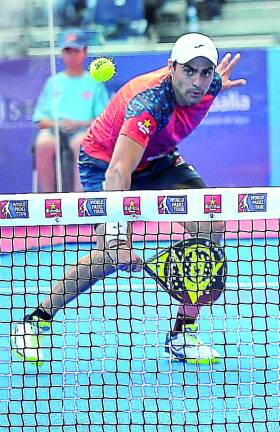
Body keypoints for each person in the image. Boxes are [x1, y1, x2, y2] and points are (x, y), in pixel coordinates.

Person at [12, 32, 246, 366]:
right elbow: (118, 172)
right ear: (171, 68)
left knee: (210, 226)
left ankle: (182, 334)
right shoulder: (149, 103)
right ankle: (35, 320)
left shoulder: (207, 87)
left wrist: (217, 82)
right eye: (189, 71)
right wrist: (118, 235)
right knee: (108, 255)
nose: (197, 80)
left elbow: (208, 84)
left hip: (159, 162)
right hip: (104, 164)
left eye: (205, 72)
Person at [32, 30, 109, 192]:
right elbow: (40, 119)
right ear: (62, 54)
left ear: (85, 52)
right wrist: (59, 124)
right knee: (43, 143)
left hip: (82, 130)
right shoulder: (53, 82)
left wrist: (77, 124)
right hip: (55, 129)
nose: (72, 55)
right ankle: (47, 198)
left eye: (76, 51)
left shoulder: (94, 82)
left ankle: (77, 199)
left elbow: (103, 119)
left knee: (81, 142)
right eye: (68, 51)